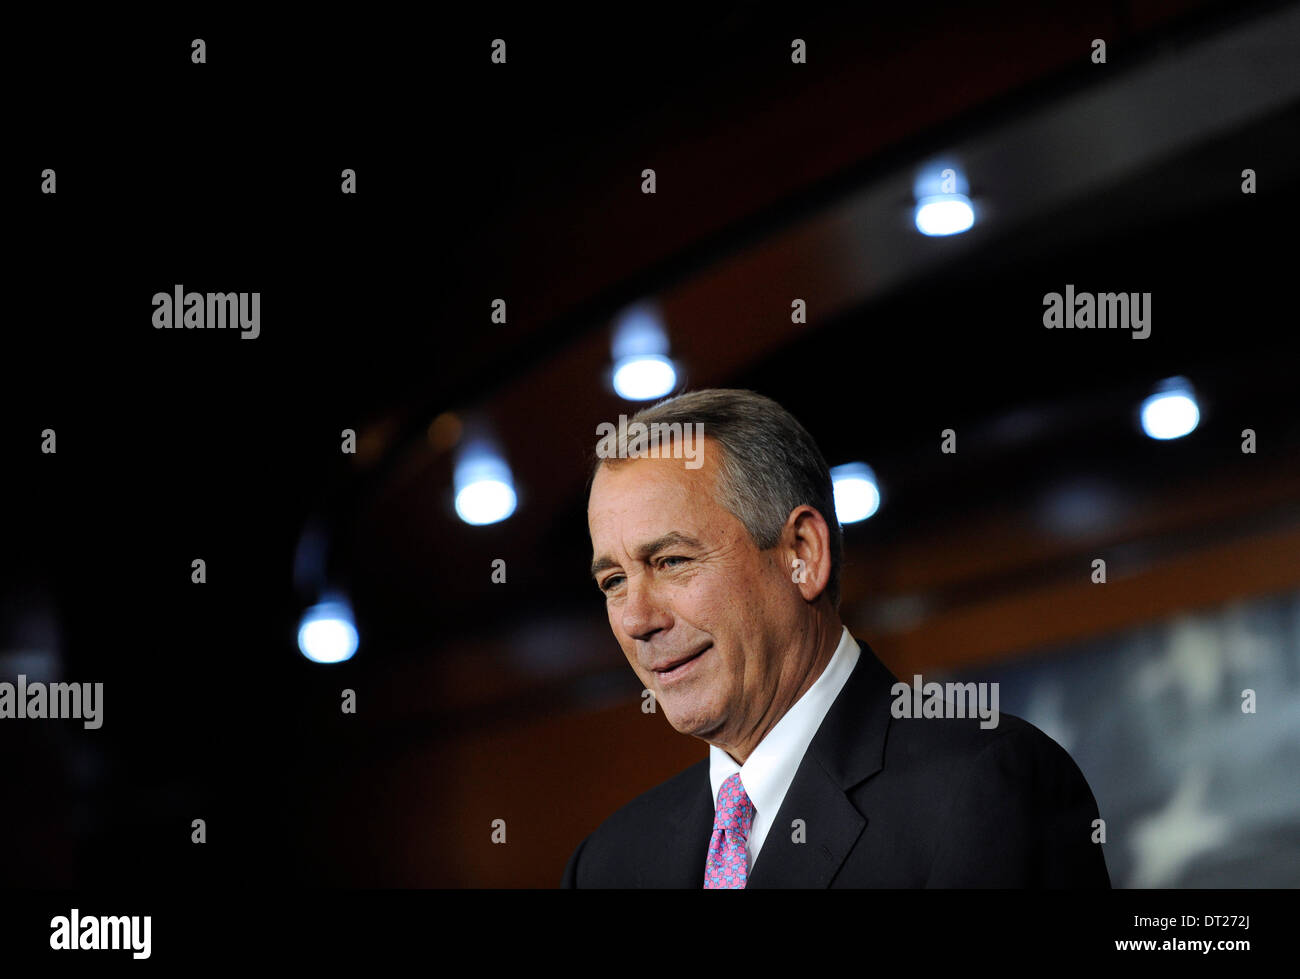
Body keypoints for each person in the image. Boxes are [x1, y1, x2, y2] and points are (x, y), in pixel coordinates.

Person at [563, 389, 1110, 888]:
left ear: (803, 554)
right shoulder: (606, 866)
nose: (637, 619)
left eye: (672, 561)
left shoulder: (983, 790)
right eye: (613, 581)